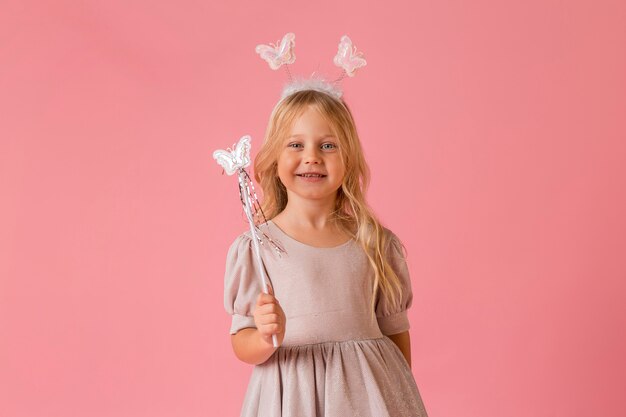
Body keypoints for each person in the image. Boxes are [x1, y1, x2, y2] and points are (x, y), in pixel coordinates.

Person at [222, 86, 429, 416]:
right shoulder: (258, 248)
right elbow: (241, 342)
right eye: (295, 144)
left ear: (349, 158)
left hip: (367, 398)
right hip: (292, 399)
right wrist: (263, 337)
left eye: (328, 145)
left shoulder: (375, 244)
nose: (312, 156)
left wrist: (397, 398)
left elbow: (396, 336)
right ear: (274, 158)